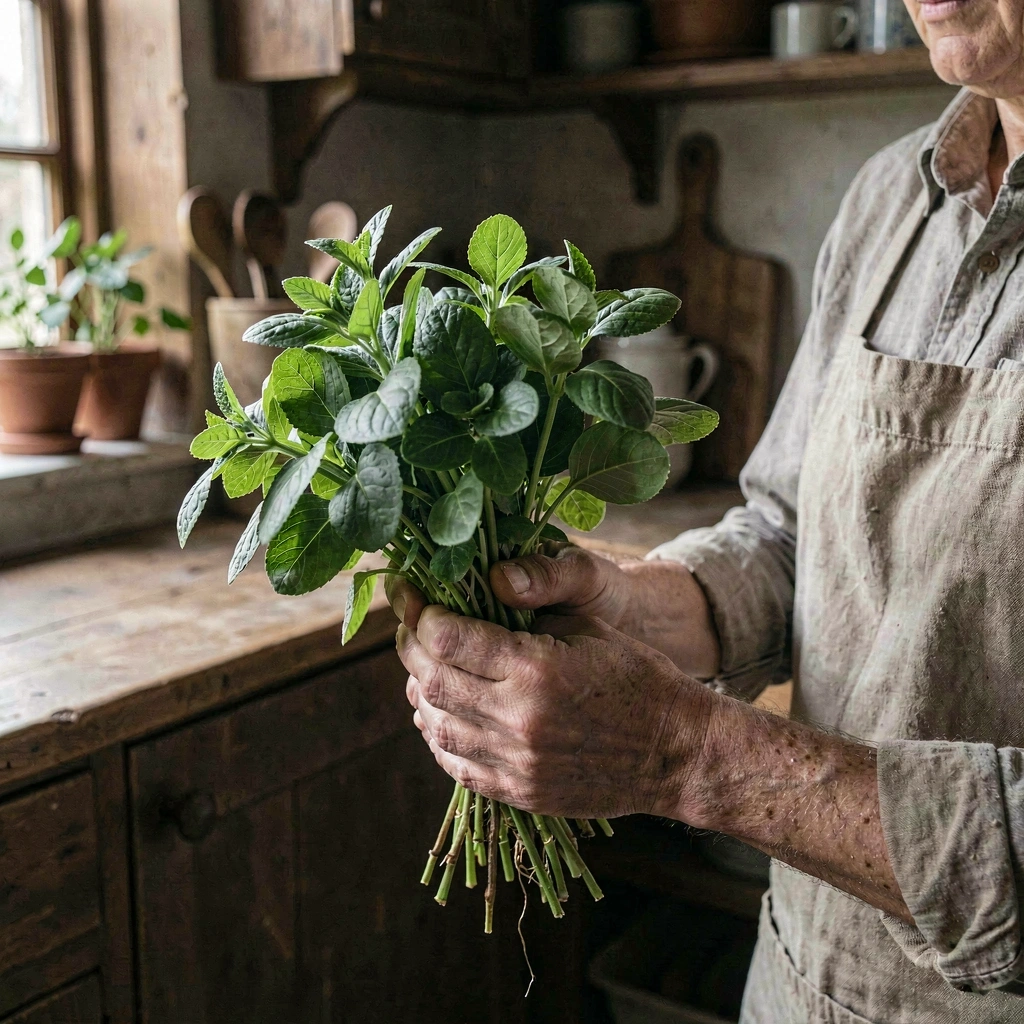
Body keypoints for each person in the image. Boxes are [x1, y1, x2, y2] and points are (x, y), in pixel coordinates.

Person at [388, 1, 1024, 1019]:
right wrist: (630, 602)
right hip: (803, 982)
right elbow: (787, 534)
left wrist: (681, 753)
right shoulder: (888, 202)